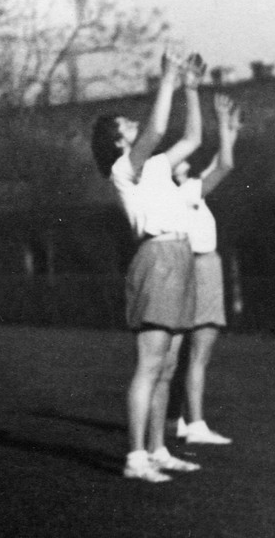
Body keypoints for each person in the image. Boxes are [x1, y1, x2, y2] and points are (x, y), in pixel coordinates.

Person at [90, 51, 206, 483]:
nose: (134, 124)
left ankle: (157, 449)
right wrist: (168, 78)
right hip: (156, 260)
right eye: (125, 124)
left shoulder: (155, 165)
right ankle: (135, 457)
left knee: (169, 366)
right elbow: (157, 127)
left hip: (180, 257)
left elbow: (192, 139)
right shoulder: (125, 168)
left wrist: (191, 87)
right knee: (150, 363)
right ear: (117, 139)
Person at [172, 94, 241, 447]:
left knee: (191, 351)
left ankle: (184, 419)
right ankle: (195, 423)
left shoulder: (185, 190)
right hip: (201, 268)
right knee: (200, 351)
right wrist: (221, 124)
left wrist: (229, 129)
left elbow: (219, 163)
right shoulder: (184, 192)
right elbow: (224, 166)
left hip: (198, 267)